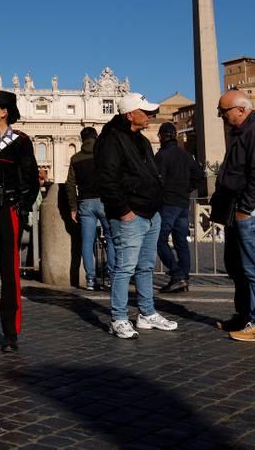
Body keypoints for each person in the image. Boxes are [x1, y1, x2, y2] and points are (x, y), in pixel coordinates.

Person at [94, 93, 178, 339]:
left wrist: (156, 207)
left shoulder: (140, 140)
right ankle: (118, 318)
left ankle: (146, 313)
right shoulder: (110, 140)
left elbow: (151, 175)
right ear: (130, 114)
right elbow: (106, 179)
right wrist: (124, 211)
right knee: (124, 269)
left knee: (146, 267)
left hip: (151, 213)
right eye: (146, 112)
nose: (151, 116)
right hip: (129, 215)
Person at [211, 90, 255, 343]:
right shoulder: (242, 133)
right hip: (238, 209)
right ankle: (245, 316)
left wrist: (245, 209)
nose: (220, 115)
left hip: (252, 210)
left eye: (224, 110)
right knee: (237, 266)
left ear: (241, 109)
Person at [0, 90, 39, 353]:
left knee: (9, 271)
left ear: (4, 111)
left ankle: (10, 331)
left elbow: (30, 178)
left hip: (9, 209)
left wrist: (23, 207)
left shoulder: (21, 141)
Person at [155, 122, 204, 293]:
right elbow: (199, 176)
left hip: (168, 202)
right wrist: (186, 189)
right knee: (181, 241)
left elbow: (157, 180)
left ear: (161, 136)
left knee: (159, 240)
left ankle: (177, 276)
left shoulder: (162, 155)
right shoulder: (185, 154)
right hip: (183, 202)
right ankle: (184, 277)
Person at [66, 126, 114, 290]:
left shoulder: (75, 158)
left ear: (81, 139)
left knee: (87, 242)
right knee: (111, 238)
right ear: (96, 138)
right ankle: (111, 277)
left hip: (85, 203)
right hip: (105, 201)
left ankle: (90, 280)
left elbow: (70, 185)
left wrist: (73, 207)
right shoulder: (104, 155)